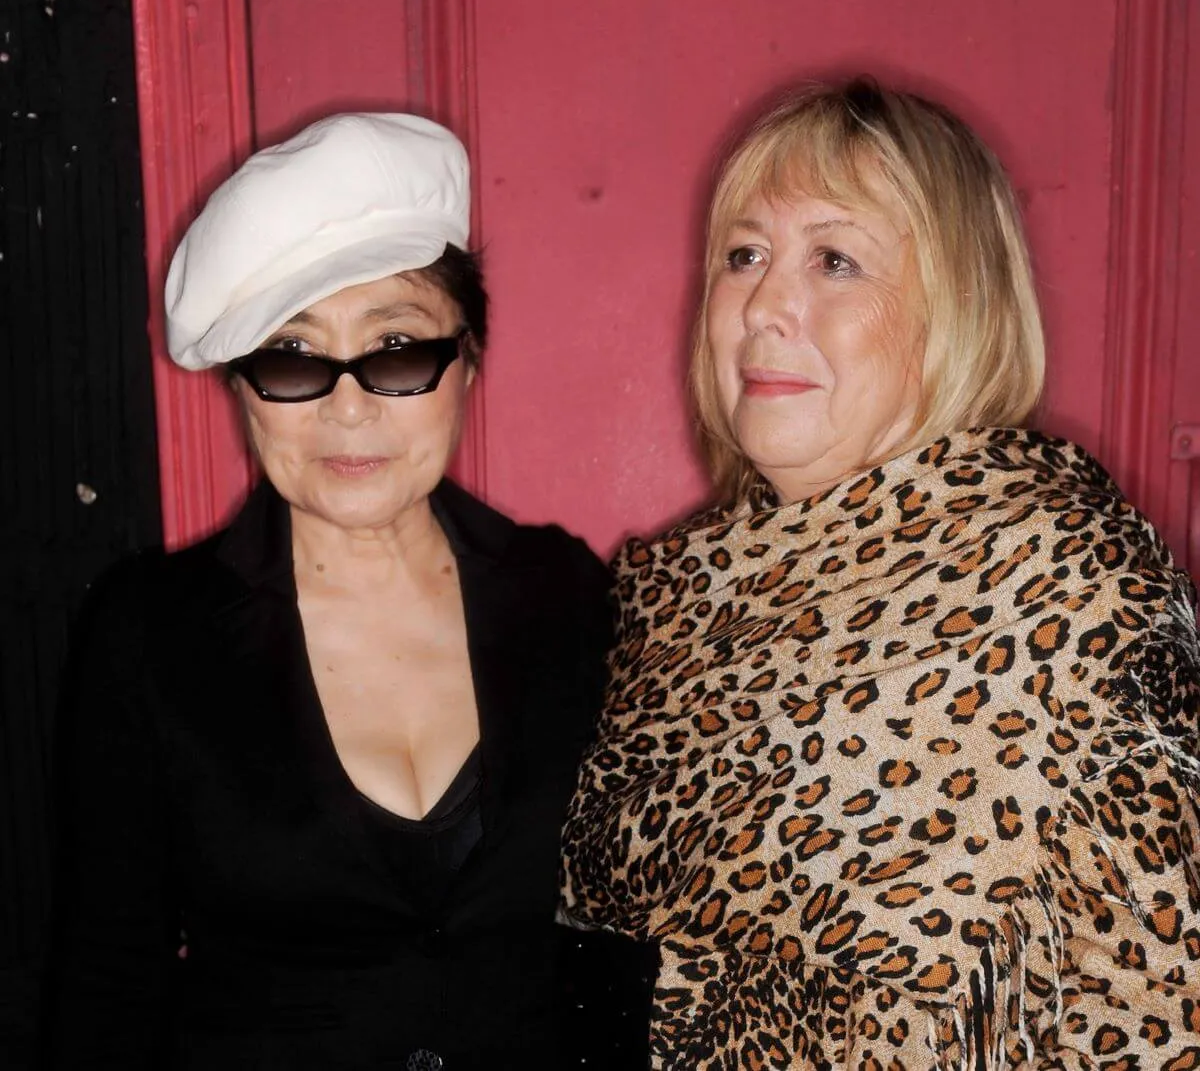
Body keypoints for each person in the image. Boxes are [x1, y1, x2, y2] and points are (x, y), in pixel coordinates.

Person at [560, 78, 1200, 1069]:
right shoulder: (659, 595)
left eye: (835, 258)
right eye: (744, 254)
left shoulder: (1069, 585)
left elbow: (1157, 1003)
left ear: (956, 303)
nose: (765, 304)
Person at [45, 113, 650, 1069]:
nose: (349, 407)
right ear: (244, 387)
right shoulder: (152, 637)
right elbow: (106, 988)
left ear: (469, 361)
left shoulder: (564, 594)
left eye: (398, 347)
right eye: (293, 357)